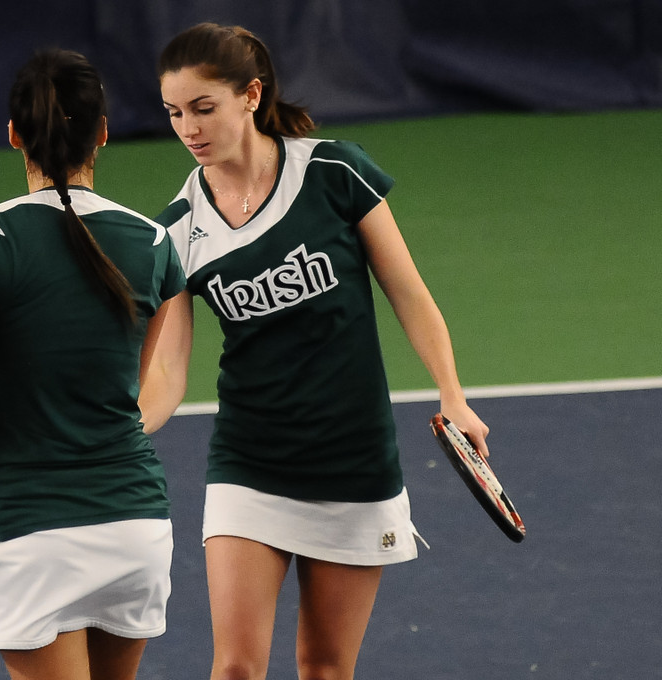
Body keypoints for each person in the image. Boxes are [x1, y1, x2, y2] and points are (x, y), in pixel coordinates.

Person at [147, 23, 491, 680]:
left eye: (202, 107)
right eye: (173, 113)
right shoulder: (177, 231)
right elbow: (166, 369)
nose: (187, 127)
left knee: (326, 668)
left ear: (250, 96)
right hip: (251, 460)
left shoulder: (334, 172)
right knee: (236, 668)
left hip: (353, 461)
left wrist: (454, 395)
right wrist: (119, 430)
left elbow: (408, 294)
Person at [0, 48, 191, 680]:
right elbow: (150, 383)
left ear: (13, 136)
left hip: (30, 533)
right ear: (103, 134)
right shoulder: (155, 242)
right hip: (135, 526)